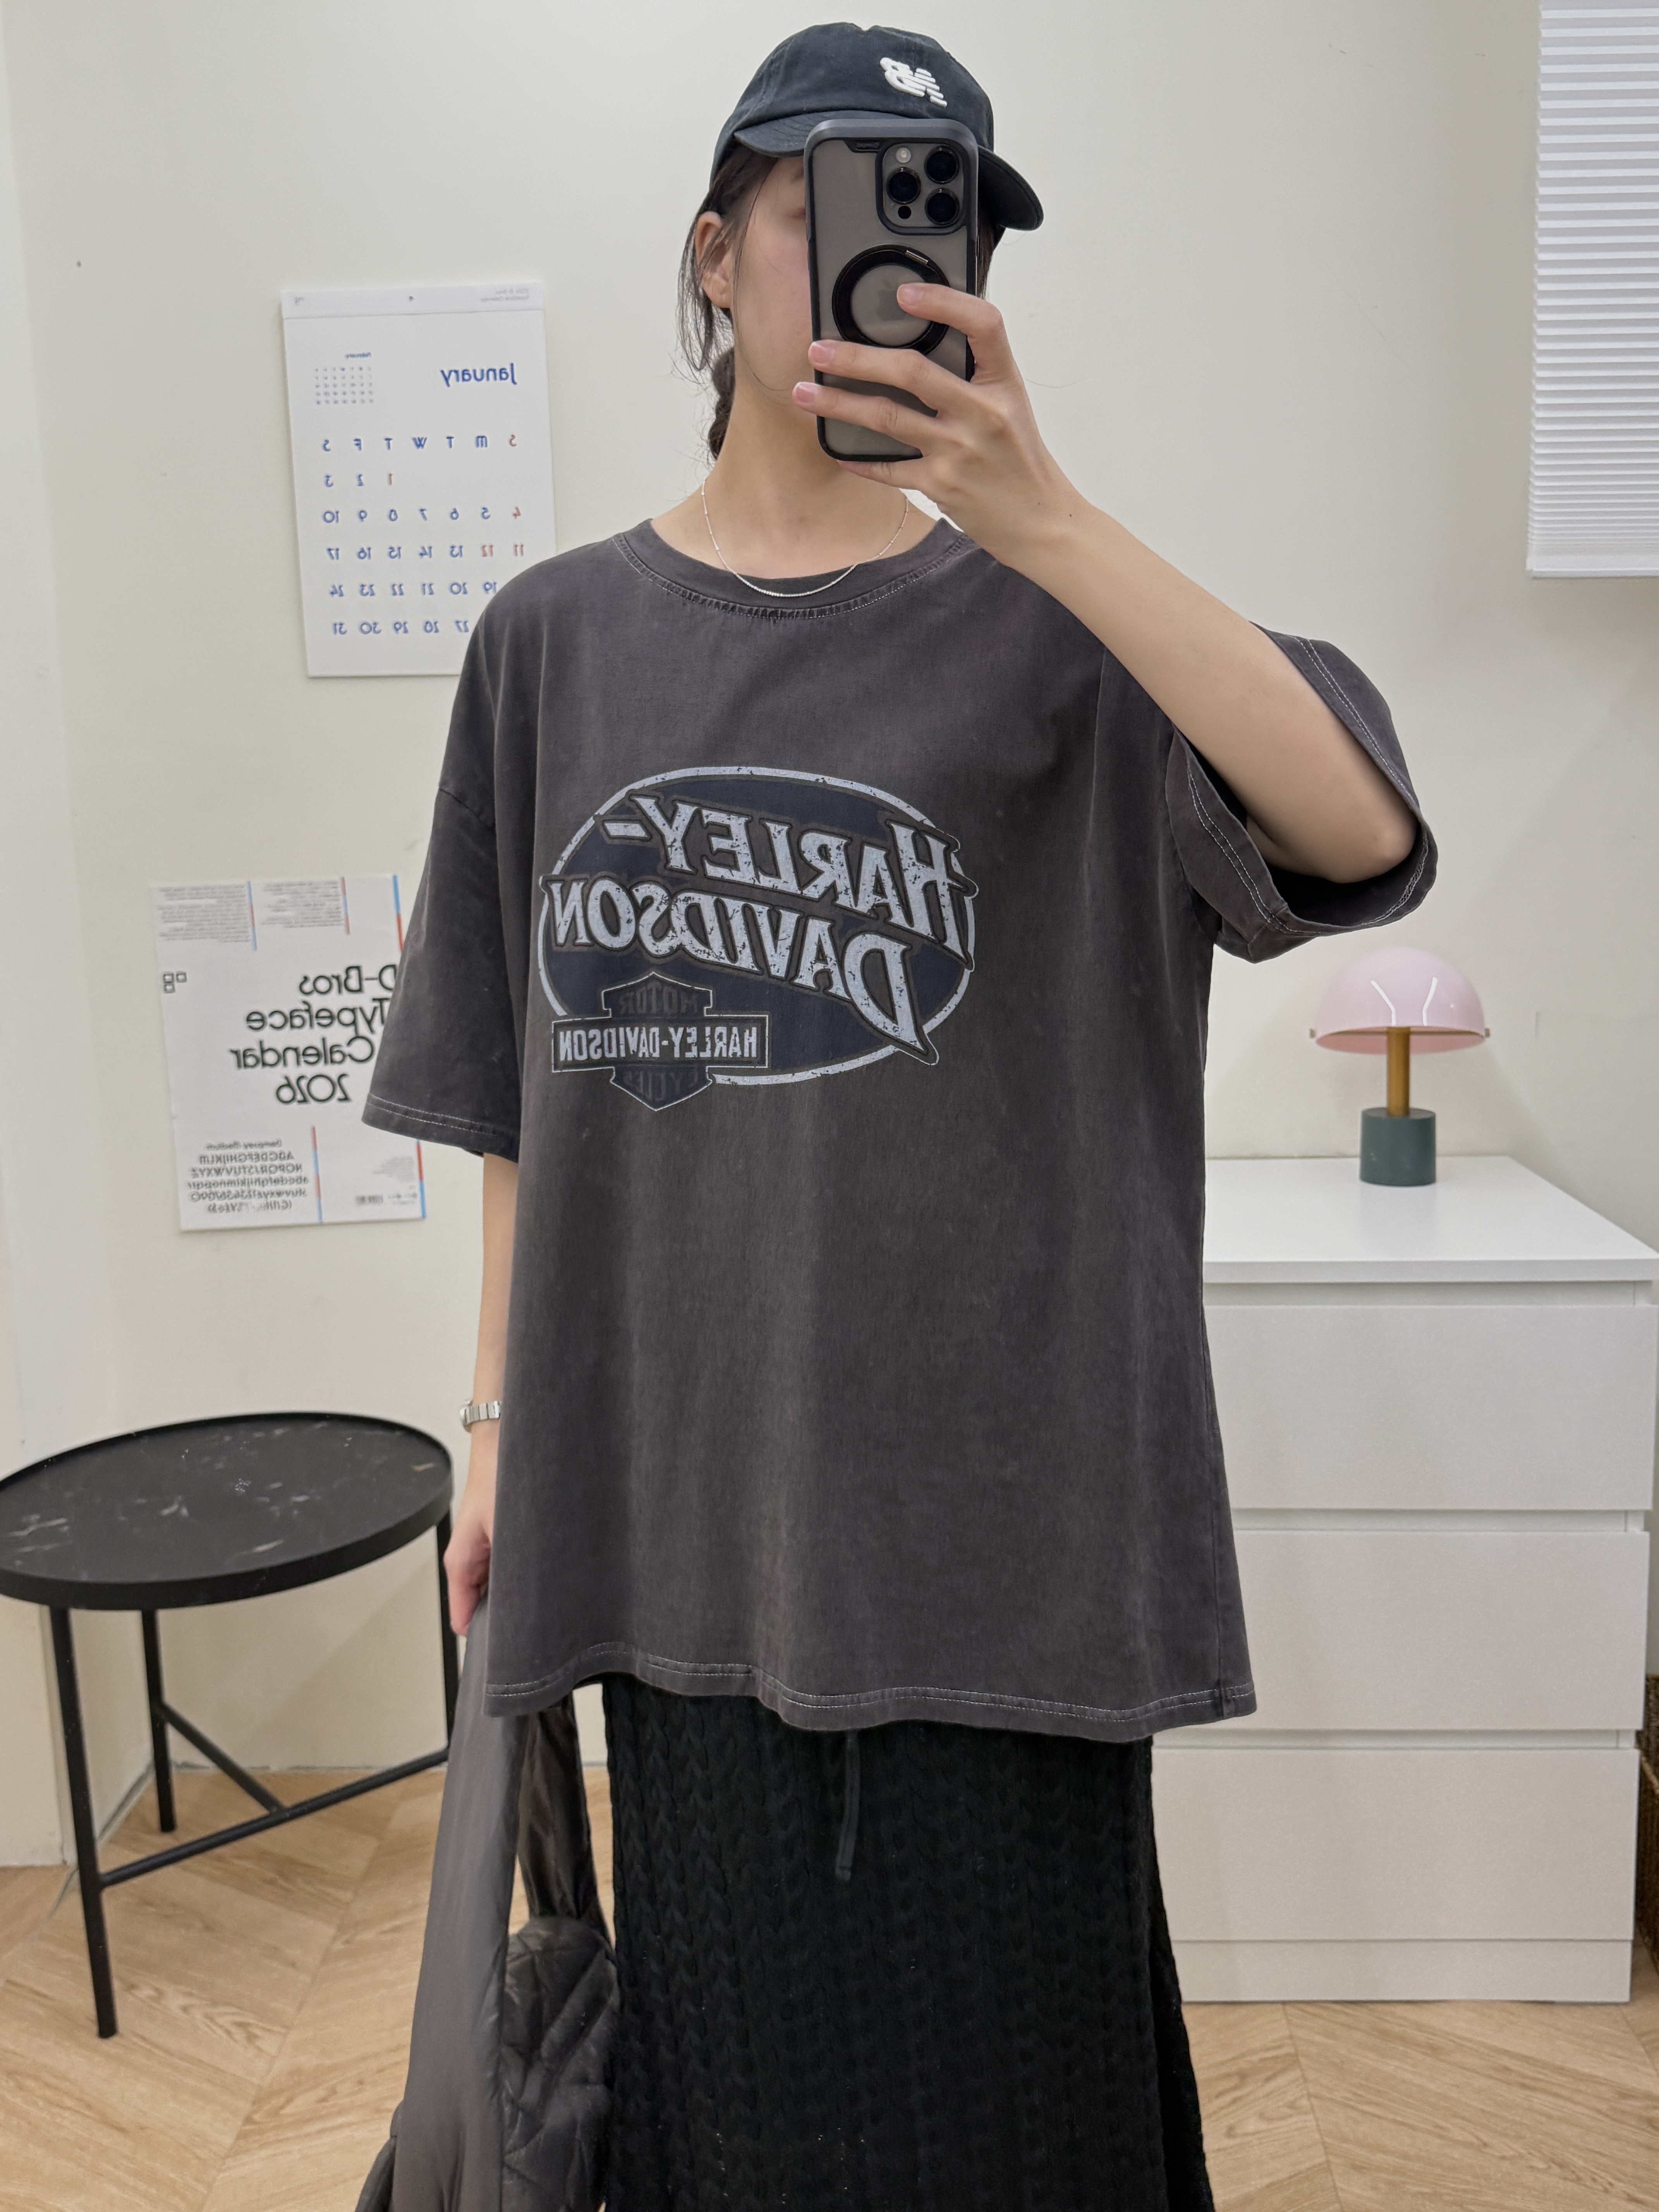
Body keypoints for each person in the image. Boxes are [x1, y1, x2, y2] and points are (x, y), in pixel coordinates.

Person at [364, 22, 1433, 2211]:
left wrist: (1045, 521)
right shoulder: (553, 642)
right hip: (678, 1500)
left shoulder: (1069, 629)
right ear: (716, 257)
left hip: (1004, 1527)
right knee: (732, 2084)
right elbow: (513, 1088)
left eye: (941, 220)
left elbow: (1362, 836)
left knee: (1026, 2104)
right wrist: (494, 1429)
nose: (894, 260)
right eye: (831, 206)